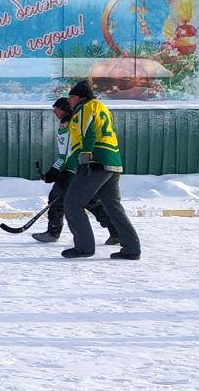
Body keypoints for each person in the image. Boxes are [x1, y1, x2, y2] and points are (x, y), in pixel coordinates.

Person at [60, 79, 141, 260]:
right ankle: (131, 248)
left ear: (80, 97)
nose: (69, 101)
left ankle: (84, 248)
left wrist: (86, 157)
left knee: (72, 204)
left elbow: (89, 132)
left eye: (71, 97)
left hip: (95, 162)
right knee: (113, 207)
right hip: (113, 161)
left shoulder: (84, 108)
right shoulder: (102, 107)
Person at [34, 96, 113, 245]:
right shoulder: (64, 125)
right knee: (90, 201)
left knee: (57, 199)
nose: (54, 112)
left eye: (56, 108)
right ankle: (115, 230)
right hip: (71, 169)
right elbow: (64, 154)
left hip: (75, 169)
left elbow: (74, 152)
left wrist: (65, 171)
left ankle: (53, 232)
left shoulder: (73, 124)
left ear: (64, 109)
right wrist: (54, 169)